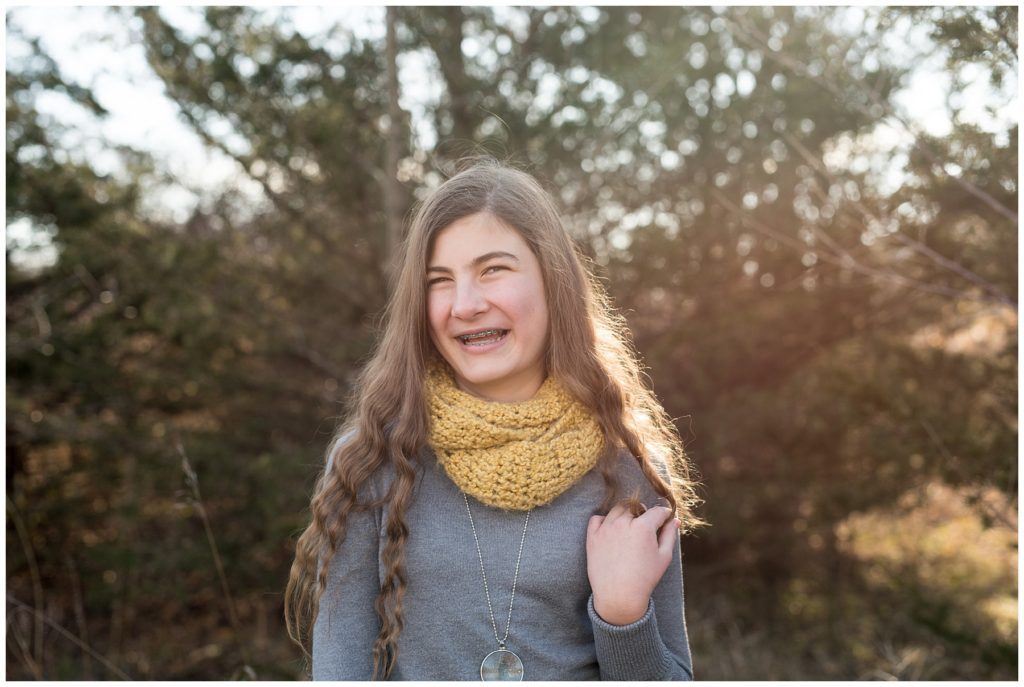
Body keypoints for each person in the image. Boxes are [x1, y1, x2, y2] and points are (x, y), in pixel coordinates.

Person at [285, 157, 704, 681]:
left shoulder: (630, 466)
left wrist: (623, 616)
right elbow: (338, 669)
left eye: (493, 270)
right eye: (440, 280)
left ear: (553, 281)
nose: (464, 304)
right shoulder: (371, 458)